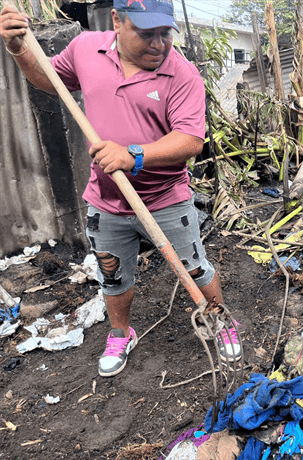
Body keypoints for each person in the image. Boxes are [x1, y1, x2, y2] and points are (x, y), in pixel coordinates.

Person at [0, 0, 241, 377]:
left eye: (165, 33)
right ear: (117, 20)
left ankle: (219, 323)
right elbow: (49, 80)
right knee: (113, 276)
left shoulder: (183, 75)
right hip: (107, 200)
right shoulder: (85, 49)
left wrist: (134, 155)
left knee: (194, 267)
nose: (159, 44)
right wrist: (18, 49)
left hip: (166, 199)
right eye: (147, 34)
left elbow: (191, 140)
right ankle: (120, 333)